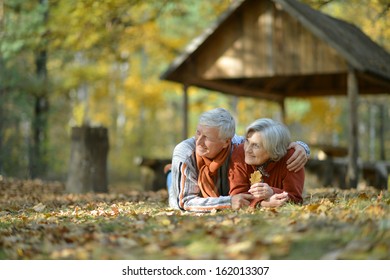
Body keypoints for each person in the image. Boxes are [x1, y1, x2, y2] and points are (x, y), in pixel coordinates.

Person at [168, 108, 309, 212]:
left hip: (222, 191)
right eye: (198, 133)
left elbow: (274, 141)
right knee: (171, 180)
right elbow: (184, 202)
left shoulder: (238, 145)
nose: (198, 141)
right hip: (194, 192)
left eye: (208, 138)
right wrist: (229, 202)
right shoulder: (184, 153)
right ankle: (170, 174)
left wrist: (303, 147)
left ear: (226, 141)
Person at [229, 118, 305, 208]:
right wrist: (263, 204)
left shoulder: (292, 158)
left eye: (256, 145)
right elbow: (237, 197)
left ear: (273, 149)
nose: (247, 149)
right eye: (247, 141)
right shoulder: (239, 154)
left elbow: (295, 199)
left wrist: (272, 192)